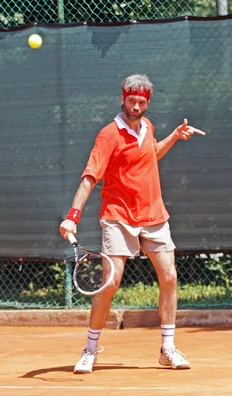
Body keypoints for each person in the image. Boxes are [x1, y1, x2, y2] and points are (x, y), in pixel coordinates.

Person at [59, 73, 205, 374]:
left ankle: (168, 349)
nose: (136, 107)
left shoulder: (148, 127)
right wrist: (72, 216)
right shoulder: (108, 135)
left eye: (141, 102)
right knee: (110, 283)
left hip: (154, 215)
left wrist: (175, 137)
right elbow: (90, 177)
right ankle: (89, 350)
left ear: (146, 103)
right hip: (118, 216)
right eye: (131, 101)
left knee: (169, 277)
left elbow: (151, 155)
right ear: (122, 99)